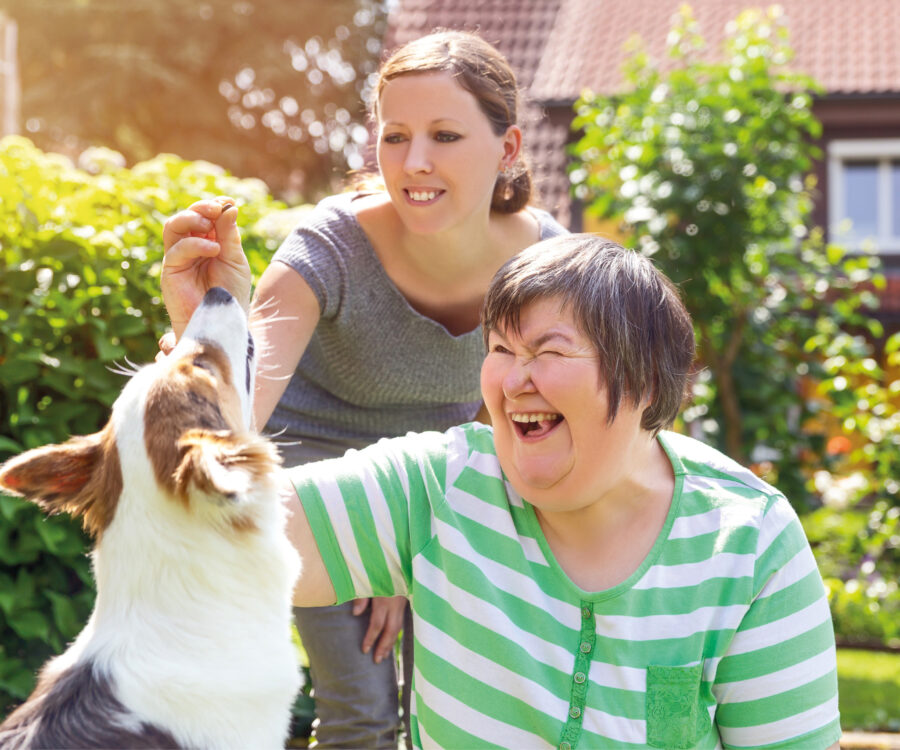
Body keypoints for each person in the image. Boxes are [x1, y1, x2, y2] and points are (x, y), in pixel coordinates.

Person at [160, 30, 567, 749]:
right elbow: (241, 409)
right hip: (311, 468)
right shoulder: (330, 247)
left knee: (469, 714)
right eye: (395, 136)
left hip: (449, 472)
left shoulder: (542, 261)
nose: (414, 163)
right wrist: (203, 328)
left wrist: (415, 536)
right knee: (367, 714)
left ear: (507, 150)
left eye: (445, 135)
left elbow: (511, 409)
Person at [282, 233, 842, 750]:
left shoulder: (748, 541)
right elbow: (227, 533)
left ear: (645, 379)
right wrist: (207, 343)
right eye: (500, 350)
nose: (512, 381)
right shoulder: (441, 486)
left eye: (548, 352)